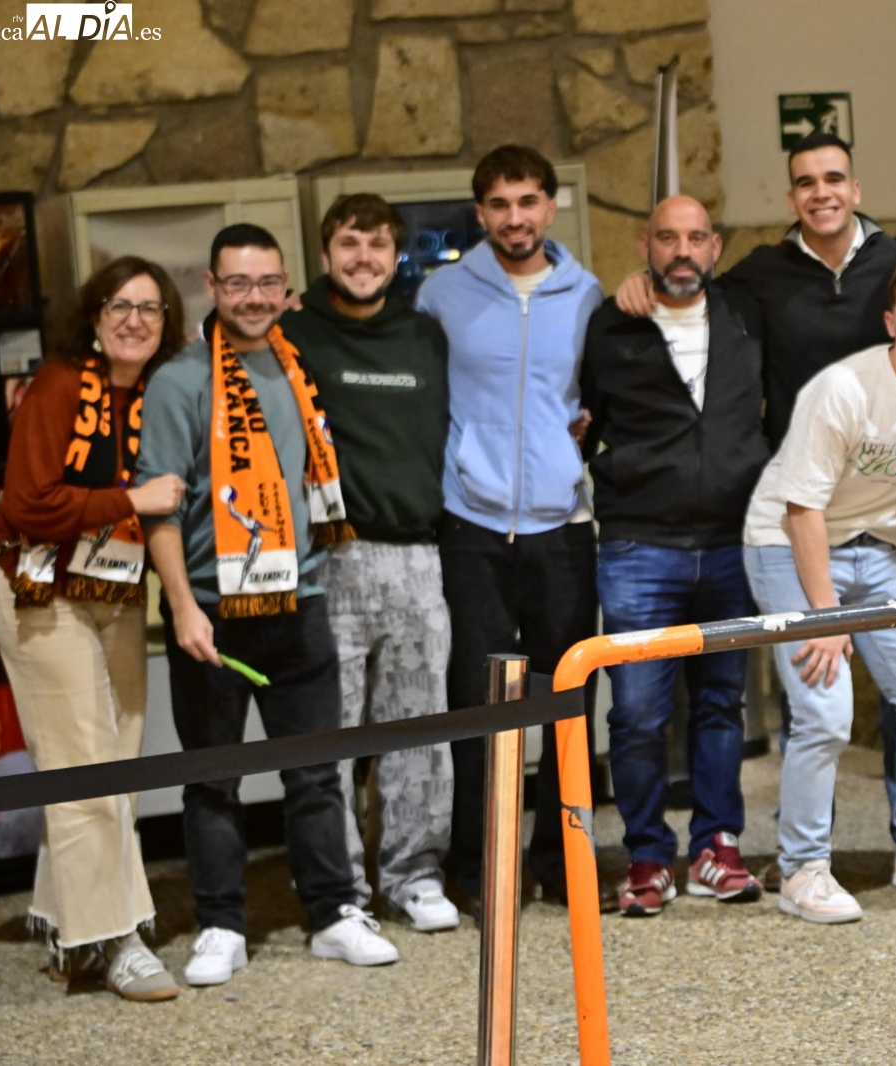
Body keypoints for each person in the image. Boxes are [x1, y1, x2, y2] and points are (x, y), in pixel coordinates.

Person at [617, 132, 896, 826]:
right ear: (791, 197)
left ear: (856, 190)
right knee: (814, 689)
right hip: (802, 517)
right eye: (807, 182)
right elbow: (695, 294)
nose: (822, 192)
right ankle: (813, 842)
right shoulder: (762, 274)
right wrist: (642, 283)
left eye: (834, 178)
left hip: (892, 516)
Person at [139, 223, 398, 987]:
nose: (252, 298)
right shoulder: (179, 381)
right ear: (212, 288)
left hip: (299, 600)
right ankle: (221, 923)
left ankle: (332, 913)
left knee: (316, 772)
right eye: (237, 283)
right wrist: (181, 609)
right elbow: (158, 510)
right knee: (213, 780)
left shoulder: (294, 364)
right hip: (212, 612)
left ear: (286, 289)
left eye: (266, 284)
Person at [743, 258, 896, 925]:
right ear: (890, 322)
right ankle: (802, 870)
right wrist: (825, 617)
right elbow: (802, 509)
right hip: (786, 542)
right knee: (824, 714)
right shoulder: (843, 391)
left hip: (875, 551)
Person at [0, 256, 188, 1000]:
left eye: (150, 308)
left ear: (166, 322)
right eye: (119, 305)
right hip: (42, 595)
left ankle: (62, 925)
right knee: (85, 772)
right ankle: (118, 941)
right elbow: (27, 503)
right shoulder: (60, 384)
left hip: (119, 593)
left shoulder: (164, 391)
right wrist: (132, 500)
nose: (134, 320)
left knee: (114, 769)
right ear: (95, 318)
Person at [415, 146, 604, 913]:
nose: (515, 217)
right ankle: (480, 867)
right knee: (480, 708)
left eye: (528, 201)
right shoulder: (442, 294)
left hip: (563, 528)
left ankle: (562, 864)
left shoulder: (588, 294)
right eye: (499, 204)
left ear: (551, 206)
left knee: (567, 703)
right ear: (480, 213)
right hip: (474, 526)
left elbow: (602, 393)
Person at [581, 195, 768, 916]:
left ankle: (716, 846)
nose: (681, 251)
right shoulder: (611, 323)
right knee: (636, 713)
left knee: (721, 704)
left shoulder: (747, 314)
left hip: (731, 544)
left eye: (695, 238)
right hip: (639, 547)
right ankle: (647, 857)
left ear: (715, 247)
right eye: (667, 238)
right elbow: (587, 414)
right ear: (645, 246)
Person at [279, 194, 457, 933]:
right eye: (349, 244)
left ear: (396, 255)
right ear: (325, 255)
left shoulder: (425, 336)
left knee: (420, 728)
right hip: (330, 561)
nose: (364, 258)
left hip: (418, 558)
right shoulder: (291, 334)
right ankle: (341, 887)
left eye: (378, 245)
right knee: (333, 735)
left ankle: (415, 876)